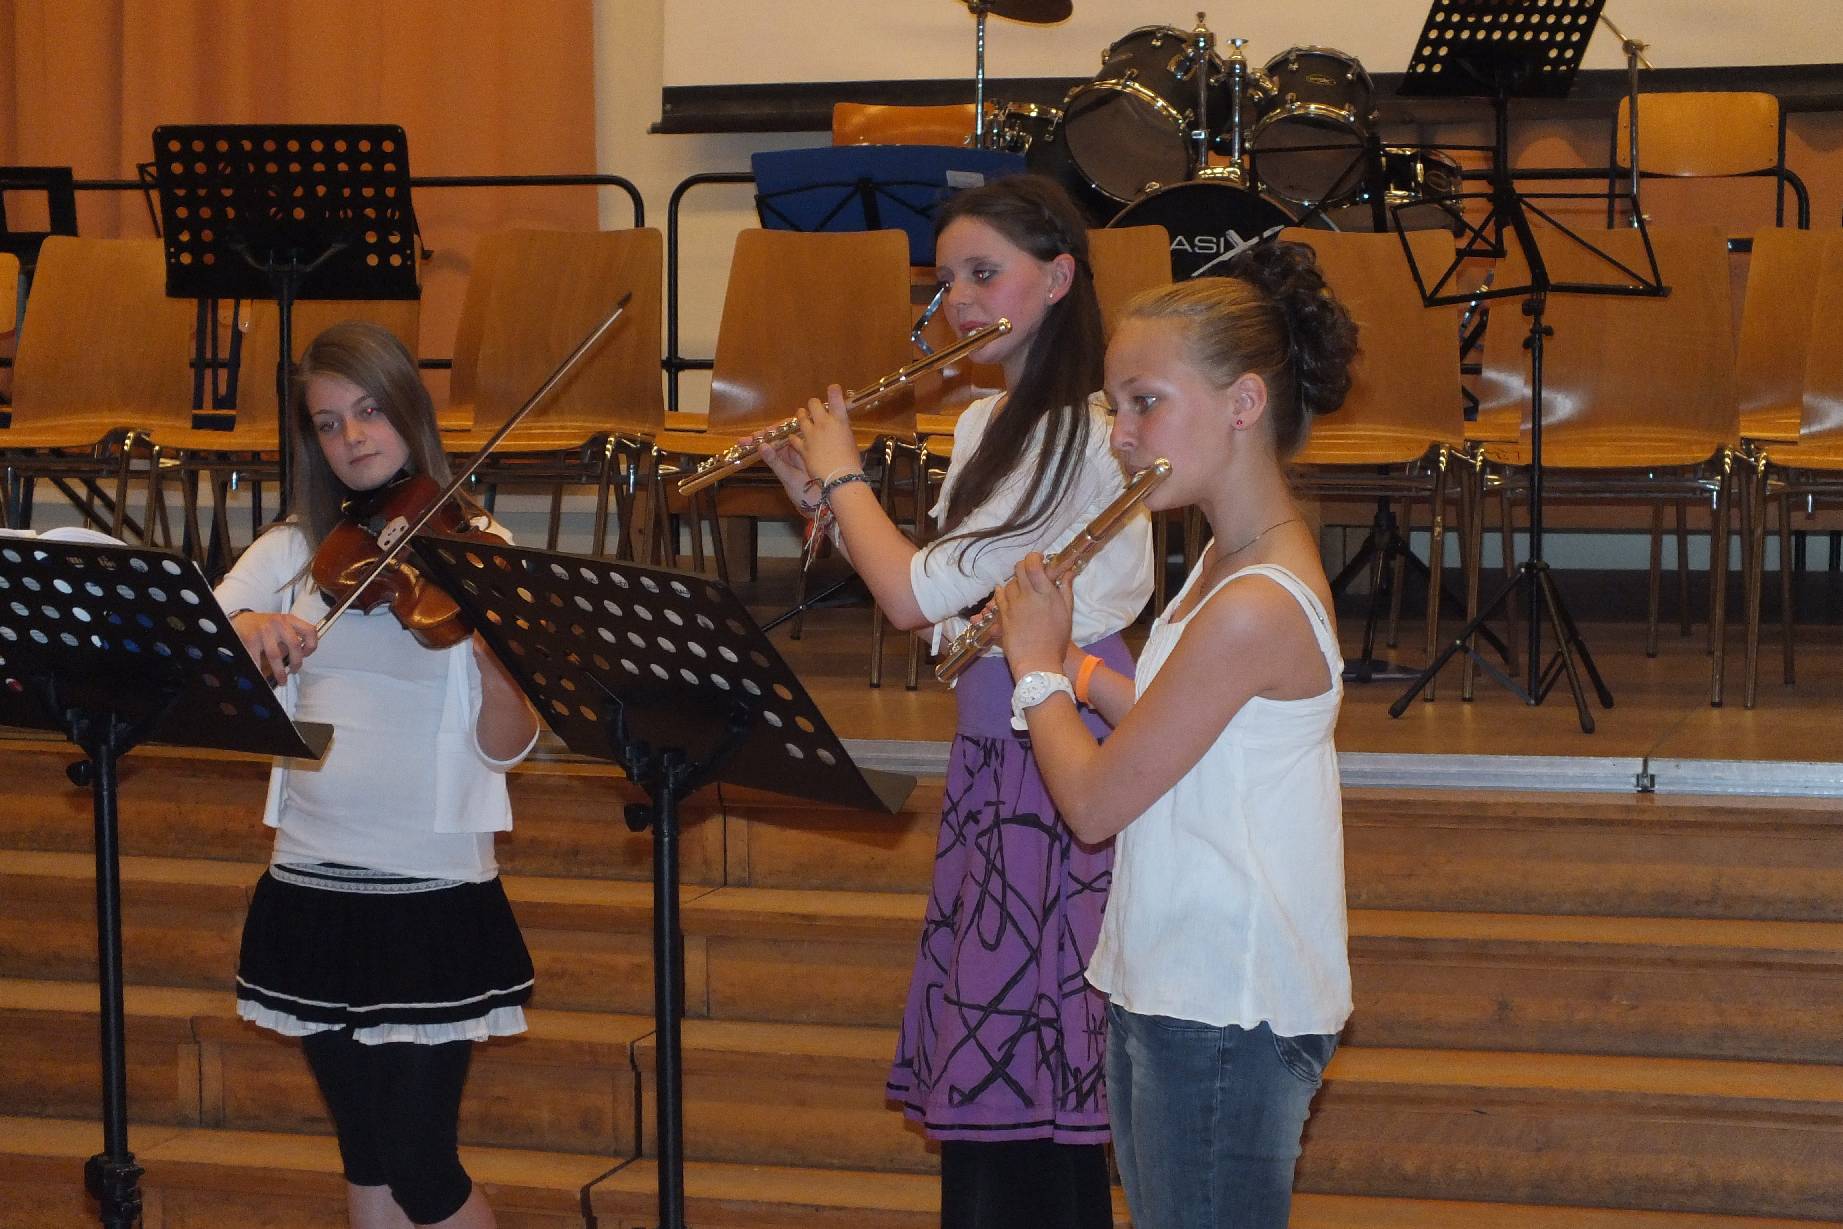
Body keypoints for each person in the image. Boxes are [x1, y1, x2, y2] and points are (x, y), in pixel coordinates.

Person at [758, 174, 1154, 1229]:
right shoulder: (985, 422)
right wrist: (822, 499)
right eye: (946, 281)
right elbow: (949, 619)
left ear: (1058, 279)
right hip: (993, 751)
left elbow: (907, 596)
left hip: (1058, 756)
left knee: (1036, 1090)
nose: (959, 302)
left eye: (985, 273)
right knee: (995, 1092)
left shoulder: (1089, 435)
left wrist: (844, 474)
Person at [992, 242, 1360, 1229]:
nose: (1120, 434)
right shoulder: (1220, 562)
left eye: (1144, 402)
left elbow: (1093, 801)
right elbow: (1182, 730)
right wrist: (1079, 670)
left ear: (1243, 403)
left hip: (1224, 1001)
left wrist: (1035, 667)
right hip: (1172, 975)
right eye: (1114, 405)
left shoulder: (1253, 601)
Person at [214, 321, 539, 1229]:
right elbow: (196, 638)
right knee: (364, 1152)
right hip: (310, 880)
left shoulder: (480, 547)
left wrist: (501, 660)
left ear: (408, 411)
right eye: (328, 423)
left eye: (369, 412)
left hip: (429, 888)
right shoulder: (294, 550)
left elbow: (507, 745)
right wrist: (247, 631)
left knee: (419, 1163)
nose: (353, 437)